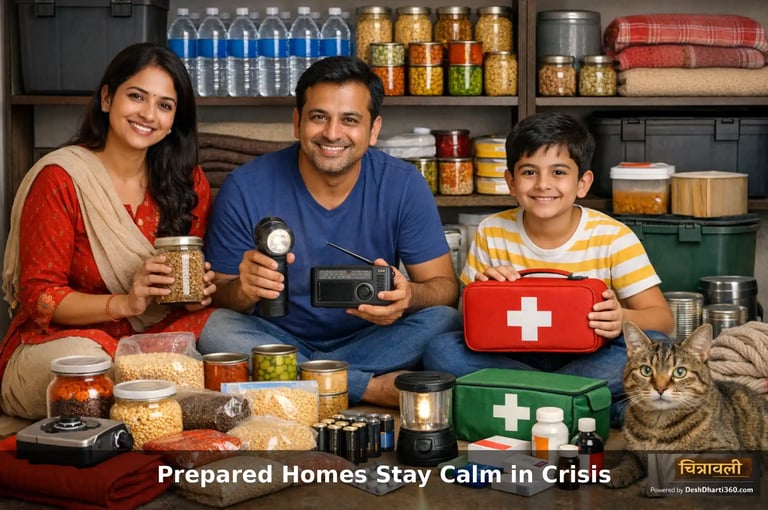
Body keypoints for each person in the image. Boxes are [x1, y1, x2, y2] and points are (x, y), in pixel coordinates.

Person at [199, 56, 461, 407]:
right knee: (214, 328)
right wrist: (243, 290)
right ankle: (365, 388)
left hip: (373, 338)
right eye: (318, 117)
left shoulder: (403, 184)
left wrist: (409, 296)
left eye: (350, 120)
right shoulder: (245, 186)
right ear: (297, 121)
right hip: (278, 340)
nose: (333, 133)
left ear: (374, 129)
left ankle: (298, 382)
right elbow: (219, 297)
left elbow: (445, 289)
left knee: (444, 321)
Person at [0, 42, 217, 419]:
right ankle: (181, 404)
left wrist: (193, 293)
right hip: (62, 344)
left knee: (230, 331)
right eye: (136, 96)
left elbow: (180, 290)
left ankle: (167, 403)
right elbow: (40, 298)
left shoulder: (186, 182)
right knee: (89, 370)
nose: (148, 114)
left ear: (174, 121)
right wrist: (126, 303)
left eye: (165, 105)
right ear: (106, 98)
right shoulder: (62, 179)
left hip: (152, 337)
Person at [423, 112, 674, 412]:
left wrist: (621, 318)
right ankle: (575, 399)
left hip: (586, 356)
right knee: (441, 350)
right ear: (511, 182)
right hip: (513, 355)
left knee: (655, 342)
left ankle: (528, 397)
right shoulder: (492, 230)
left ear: (582, 183)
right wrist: (485, 293)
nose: (543, 184)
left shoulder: (613, 236)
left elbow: (663, 319)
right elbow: (465, 319)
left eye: (558, 172)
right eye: (529, 172)